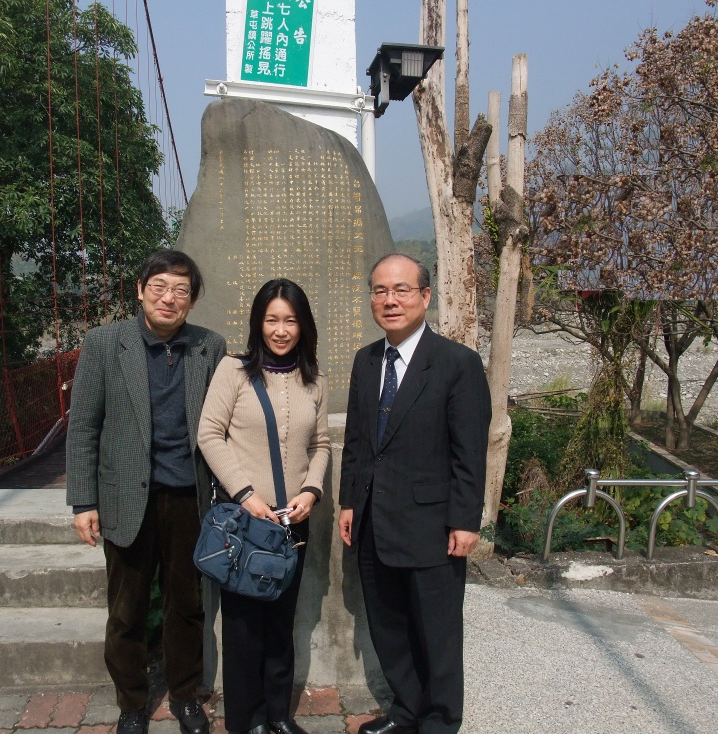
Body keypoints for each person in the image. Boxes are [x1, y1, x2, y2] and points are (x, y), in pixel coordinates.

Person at [66, 250, 226, 734]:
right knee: (126, 609)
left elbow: (224, 424)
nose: (168, 298)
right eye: (159, 286)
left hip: (188, 497)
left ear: (192, 300)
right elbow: (84, 425)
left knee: (186, 605)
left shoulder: (209, 346)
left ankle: (185, 696)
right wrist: (84, 502)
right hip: (125, 496)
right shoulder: (104, 343)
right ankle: (132, 702)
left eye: (180, 290)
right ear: (140, 290)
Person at [337, 254, 491, 734]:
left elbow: (470, 450)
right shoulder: (367, 361)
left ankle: (440, 720)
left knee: (436, 630)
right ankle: (406, 711)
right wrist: (348, 501)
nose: (390, 300)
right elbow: (358, 441)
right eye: (380, 291)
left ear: (425, 297)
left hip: (431, 524)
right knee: (389, 625)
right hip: (373, 520)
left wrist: (465, 520)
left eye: (401, 290)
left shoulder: (457, 363)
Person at [198, 278, 330, 734]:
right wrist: (245, 494)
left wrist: (311, 491)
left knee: (281, 622)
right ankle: (246, 720)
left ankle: (277, 714)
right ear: (258, 323)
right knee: (243, 628)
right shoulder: (233, 371)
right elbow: (209, 434)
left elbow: (320, 444)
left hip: (291, 525)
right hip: (245, 523)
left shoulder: (314, 380)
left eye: (290, 320)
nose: (280, 330)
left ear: (303, 325)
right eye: (271, 320)